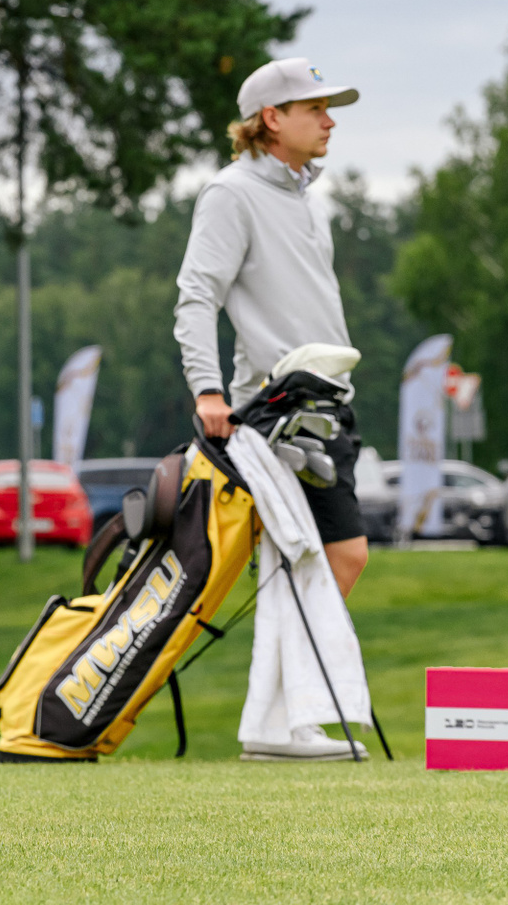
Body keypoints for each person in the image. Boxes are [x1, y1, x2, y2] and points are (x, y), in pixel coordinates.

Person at [174, 57, 368, 761]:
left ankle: (279, 724)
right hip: (277, 407)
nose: (329, 121)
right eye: (315, 108)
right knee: (336, 556)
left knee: (318, 563)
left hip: (325, 401)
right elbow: (198, 295)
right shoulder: (231, 194)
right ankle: (288, 724)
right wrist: (208, 390)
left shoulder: (305, 197)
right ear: (271, 119)